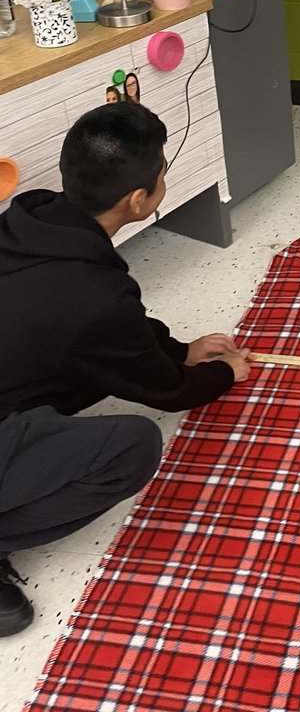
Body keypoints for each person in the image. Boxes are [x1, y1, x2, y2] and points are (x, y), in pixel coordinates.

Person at [0, 102, 251, 636]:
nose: (163, 178)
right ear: (139, 200)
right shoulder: (90, 295)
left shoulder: (32, 216)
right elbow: (169, 392)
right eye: (162, 172)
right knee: (132, 446)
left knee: (73, 372)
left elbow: (114, 330)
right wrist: (225, 374)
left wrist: (178, 346)